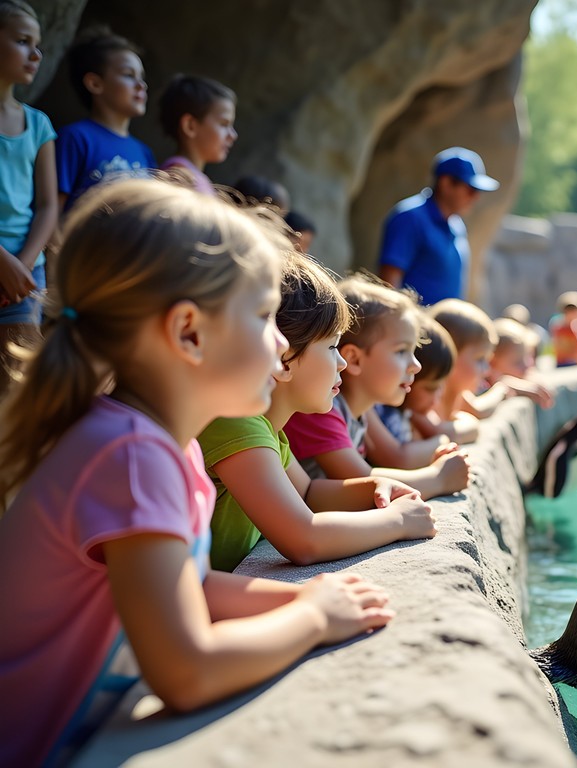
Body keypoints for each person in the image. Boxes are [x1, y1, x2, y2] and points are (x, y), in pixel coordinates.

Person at [0, 179, 395, 767]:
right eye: (265, 317)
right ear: (189, 332)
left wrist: (307, 596)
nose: (279, 345)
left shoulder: (159, 443)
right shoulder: (131, 456)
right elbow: (186, 672)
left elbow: (190, 587)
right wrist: (312, 620)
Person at [198, 257, 436, 573]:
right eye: (332, 346)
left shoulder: (267, 428)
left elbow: (309, 492)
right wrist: (397, 521)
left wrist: (376, 485)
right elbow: (303, 539)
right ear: (284, 358)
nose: (340, 363)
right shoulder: (236, 423)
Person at [283, 274, 471, 500]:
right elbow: (361, 478)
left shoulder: (358, 409)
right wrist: (437, 478)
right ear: (354, 359)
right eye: (401, 351)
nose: (416, 365)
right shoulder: (318, 410)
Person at [0, 0, 57, 398]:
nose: (36, 54)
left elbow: (48, 205)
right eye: (22, 41)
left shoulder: (38, 124)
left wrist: (21, 265)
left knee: (18, 390)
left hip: (24, 276)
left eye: (38, 44)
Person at [378, 146, 499, 306]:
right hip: (415, 328)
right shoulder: (410, 218)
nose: (475, 197)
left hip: (443, 328)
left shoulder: (457, 226)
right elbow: (389, 284)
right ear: (446, 183)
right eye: (470, 189)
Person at [55, 25, 154, 211]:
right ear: (95, 83)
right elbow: (53, 214)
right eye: (128, 75)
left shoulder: (144, 153)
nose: (141, 85)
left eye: (142, 77)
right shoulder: (74, 138)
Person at [369, 313, 475, 464]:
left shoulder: (411, 410)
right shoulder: (376, 410)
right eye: (430, 388)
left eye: (440, 387)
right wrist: (442, 441)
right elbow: (400, 459)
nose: (438, 396)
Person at [429, 298, 552, 421]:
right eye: (479, 359)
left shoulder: (456, 392)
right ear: (450, 355)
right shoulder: (433, 396)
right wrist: (503, 388)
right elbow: (478, 410)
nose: (487, 369)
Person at [157, 74, 237, 195]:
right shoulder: (179, 176)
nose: (233, 135)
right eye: (224, 124)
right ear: (190, 126)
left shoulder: (193, 176)